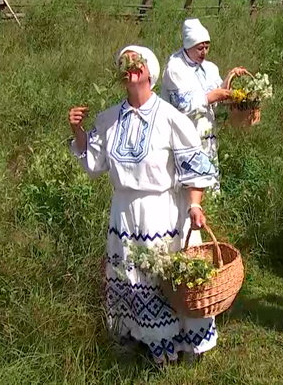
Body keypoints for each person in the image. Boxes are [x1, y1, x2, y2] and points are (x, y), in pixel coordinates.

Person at [68, 45, 218, 364]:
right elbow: (93, 163)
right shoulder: (108, 119)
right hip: (123, 213)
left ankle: (179, 346)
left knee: (164, 279)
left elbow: (195, 167)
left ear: (150, 72)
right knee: (128, 276)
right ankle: (135, 336)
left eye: (138, 62)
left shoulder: (170, 118)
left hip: (162, 211)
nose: (132, 67)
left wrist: (194, 204)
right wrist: (78, 132)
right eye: (126, 62)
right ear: (121, 73)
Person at [161, 18, 249, 192]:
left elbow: (219, 94)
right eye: (199, 48)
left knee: (207, 178)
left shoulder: (209, 68)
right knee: (189, 184)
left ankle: (210, 211)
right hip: (184, 134)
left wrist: (231, 77)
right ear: (188, 46)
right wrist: (209, 97)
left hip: (206, 133)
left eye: (206, 47)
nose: (204, 52)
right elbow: (181, 105)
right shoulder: (175, 69)